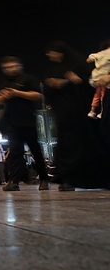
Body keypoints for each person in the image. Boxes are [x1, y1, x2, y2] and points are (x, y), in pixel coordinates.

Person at [43, 41, 109, 190]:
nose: (49, 55)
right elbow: (47, 91)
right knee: (67, 146)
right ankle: (68, 179)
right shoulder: (53, 69)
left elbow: (93, 83)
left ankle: (88, 179)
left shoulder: (78, 65)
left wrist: (76, 81)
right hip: (64, 116)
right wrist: (52, 85)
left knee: (83, 145)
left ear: (60, 53)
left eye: (52, 52)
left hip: (80, 114)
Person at [0, 56, 49, 192]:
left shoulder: (28, 79)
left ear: (18, 66)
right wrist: (2, 97)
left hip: (28, 121)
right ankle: (14, 181)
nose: (9, 70)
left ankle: (44, 179)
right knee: (15, 153)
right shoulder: (4, 82)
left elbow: (38, 96)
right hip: (12, 123)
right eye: (6, 68)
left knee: (36, 151)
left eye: (12, 66)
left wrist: (18, 93)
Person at [87, 39, 110, 119]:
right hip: (102, 80)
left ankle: (93, 111)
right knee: (103, 96)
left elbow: (89, 59)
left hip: (96, 78)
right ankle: (101, 112)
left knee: (98, 95)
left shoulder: (99, 54)